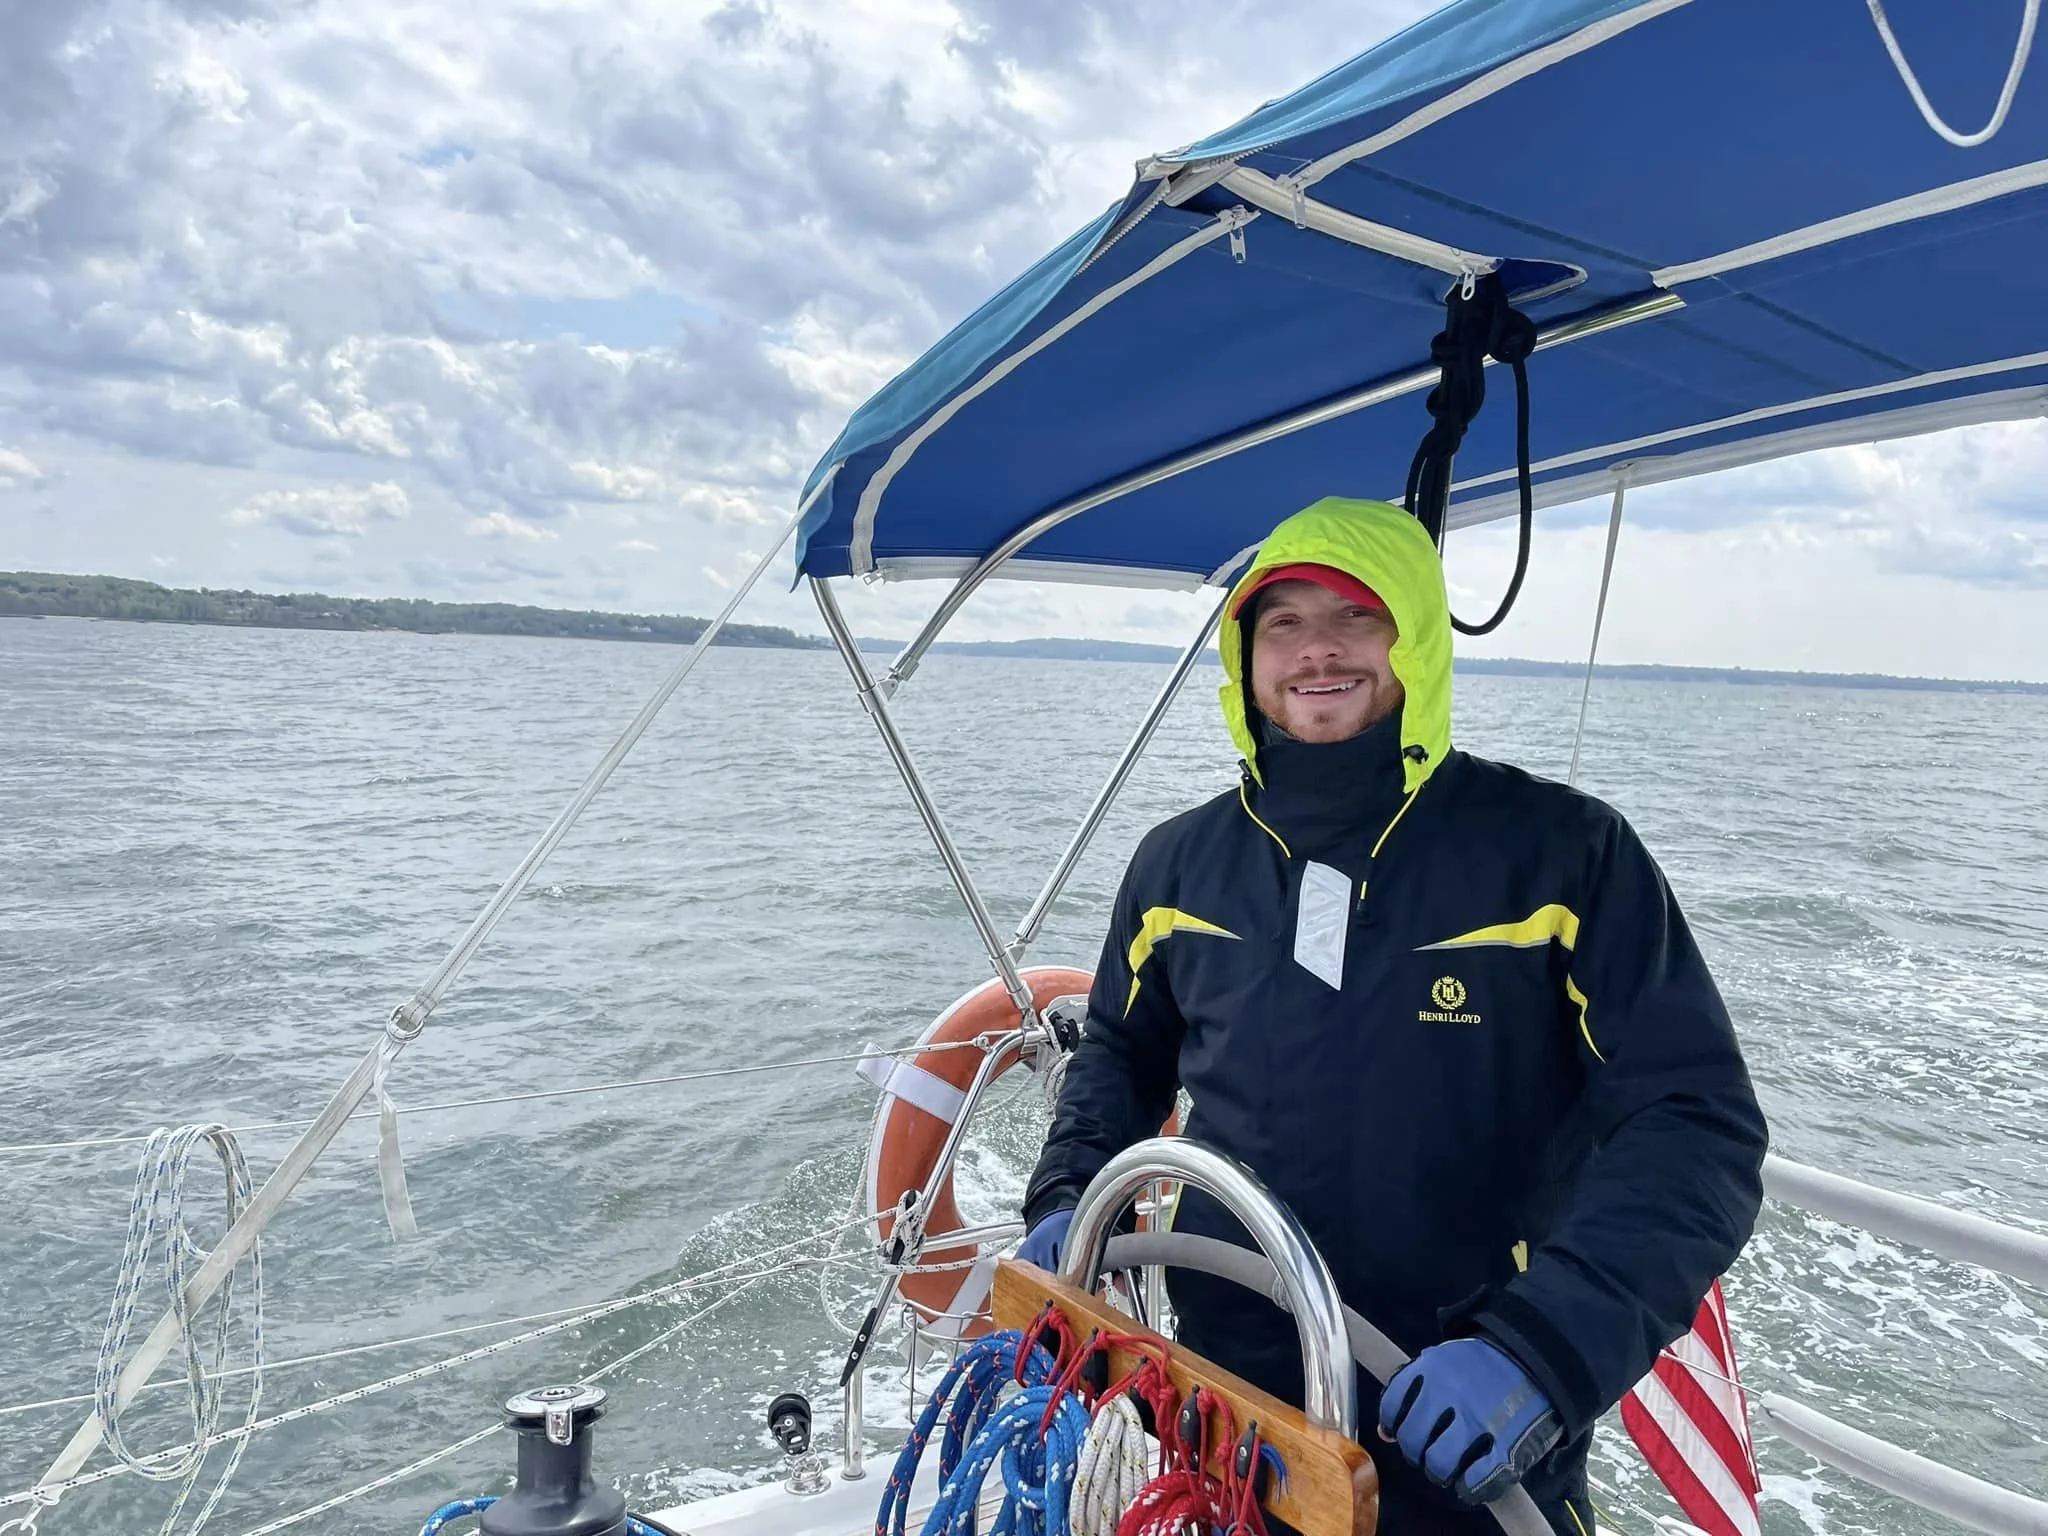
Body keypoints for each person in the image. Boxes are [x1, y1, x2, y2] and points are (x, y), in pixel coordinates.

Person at [1019, 496, 1768, 1535]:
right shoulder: (1174, 865)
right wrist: (1068, 1196)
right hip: (1227, 1419)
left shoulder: (1562, 854)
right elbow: (1119, 1051)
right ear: (1244, 655)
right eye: (1280, 620)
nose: (1315, 649)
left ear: (1410, 638)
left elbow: (1695, 1126)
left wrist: (1543, 1349)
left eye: (1353, 616)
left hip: (1467, 1427)